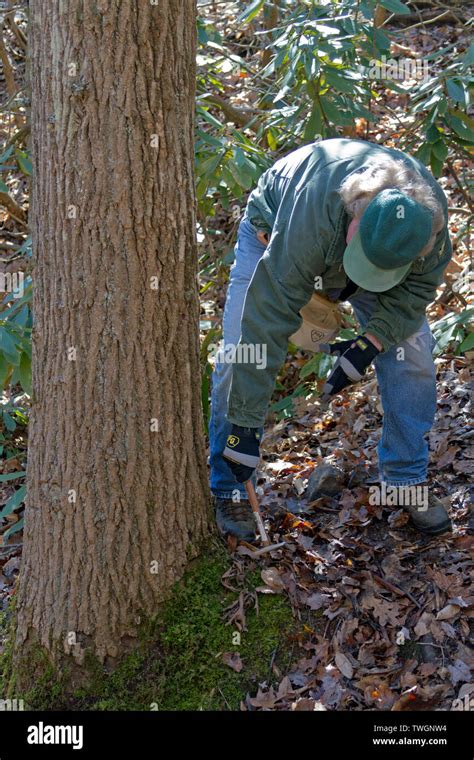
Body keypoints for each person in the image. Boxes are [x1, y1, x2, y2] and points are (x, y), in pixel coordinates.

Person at [209, 138, 452, 540]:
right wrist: (246, 427)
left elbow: (414, 293)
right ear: (354, 212)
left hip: (383, 261)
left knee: (414, 360)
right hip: (273, 234)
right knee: (238, 351)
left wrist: (370, 343)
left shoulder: (426, 227)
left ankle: (405, 479)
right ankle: (230, 485)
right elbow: (266, 320)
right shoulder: (313, 216)